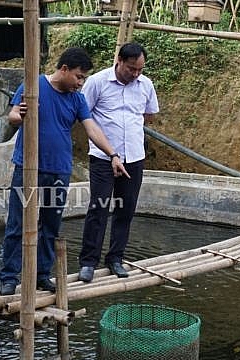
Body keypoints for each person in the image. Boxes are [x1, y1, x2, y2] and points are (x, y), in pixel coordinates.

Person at [0, 47, 128, 296]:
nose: (80, 83)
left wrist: (112, 154)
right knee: (17, 224)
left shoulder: (77, 99)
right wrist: (18, 116)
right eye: (78, 77)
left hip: (59, 170)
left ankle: (41, 275)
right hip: (28, 168)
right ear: (64, 69)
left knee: (50, 226)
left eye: (83, 79)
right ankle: (9, 277)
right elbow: (13, 114)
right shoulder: (34, 85)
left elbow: (92, 129)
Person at [77, 42, 159, 283]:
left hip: (133, 157)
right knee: (98, 208)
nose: (135, 74)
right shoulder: (97, 82)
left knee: (126, 210)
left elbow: (149, 114)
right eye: (131, 69)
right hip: (103, 158)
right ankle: (88, 262)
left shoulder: (146, 85)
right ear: (119, 62)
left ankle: (115, 258)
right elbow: (84, 114)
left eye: (140, 70)